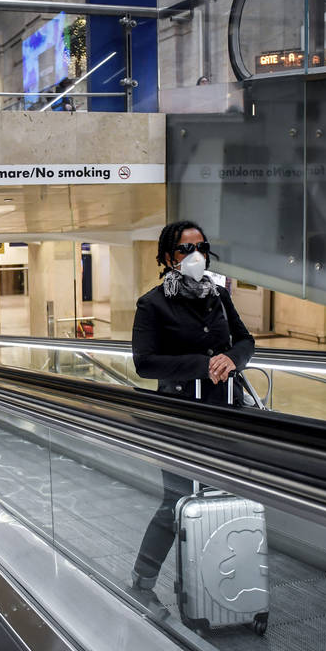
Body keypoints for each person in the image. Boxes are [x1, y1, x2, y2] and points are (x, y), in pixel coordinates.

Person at [127, 220, 255, 618]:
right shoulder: (152, 303)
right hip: (179, 417)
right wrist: (203, 364)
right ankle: (142, 583)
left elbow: (245, 340)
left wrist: (232, 358)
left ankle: (217, 586)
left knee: (223, 499)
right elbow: (145, 363)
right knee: (176, 501)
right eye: (185, 249)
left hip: (224, 412)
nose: (195, 255)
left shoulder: (217, 295)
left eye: (201, 247)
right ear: (168, 257)